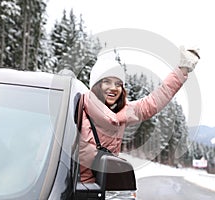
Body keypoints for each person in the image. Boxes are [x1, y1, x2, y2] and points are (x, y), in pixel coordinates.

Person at [79, 46, 200, 183]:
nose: (113, 88)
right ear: (96, 84)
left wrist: (182, 70)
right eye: (106, 81)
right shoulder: (79, 107)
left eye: (118, 84)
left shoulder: (123, 112)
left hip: (101, 191)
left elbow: (156, 100)